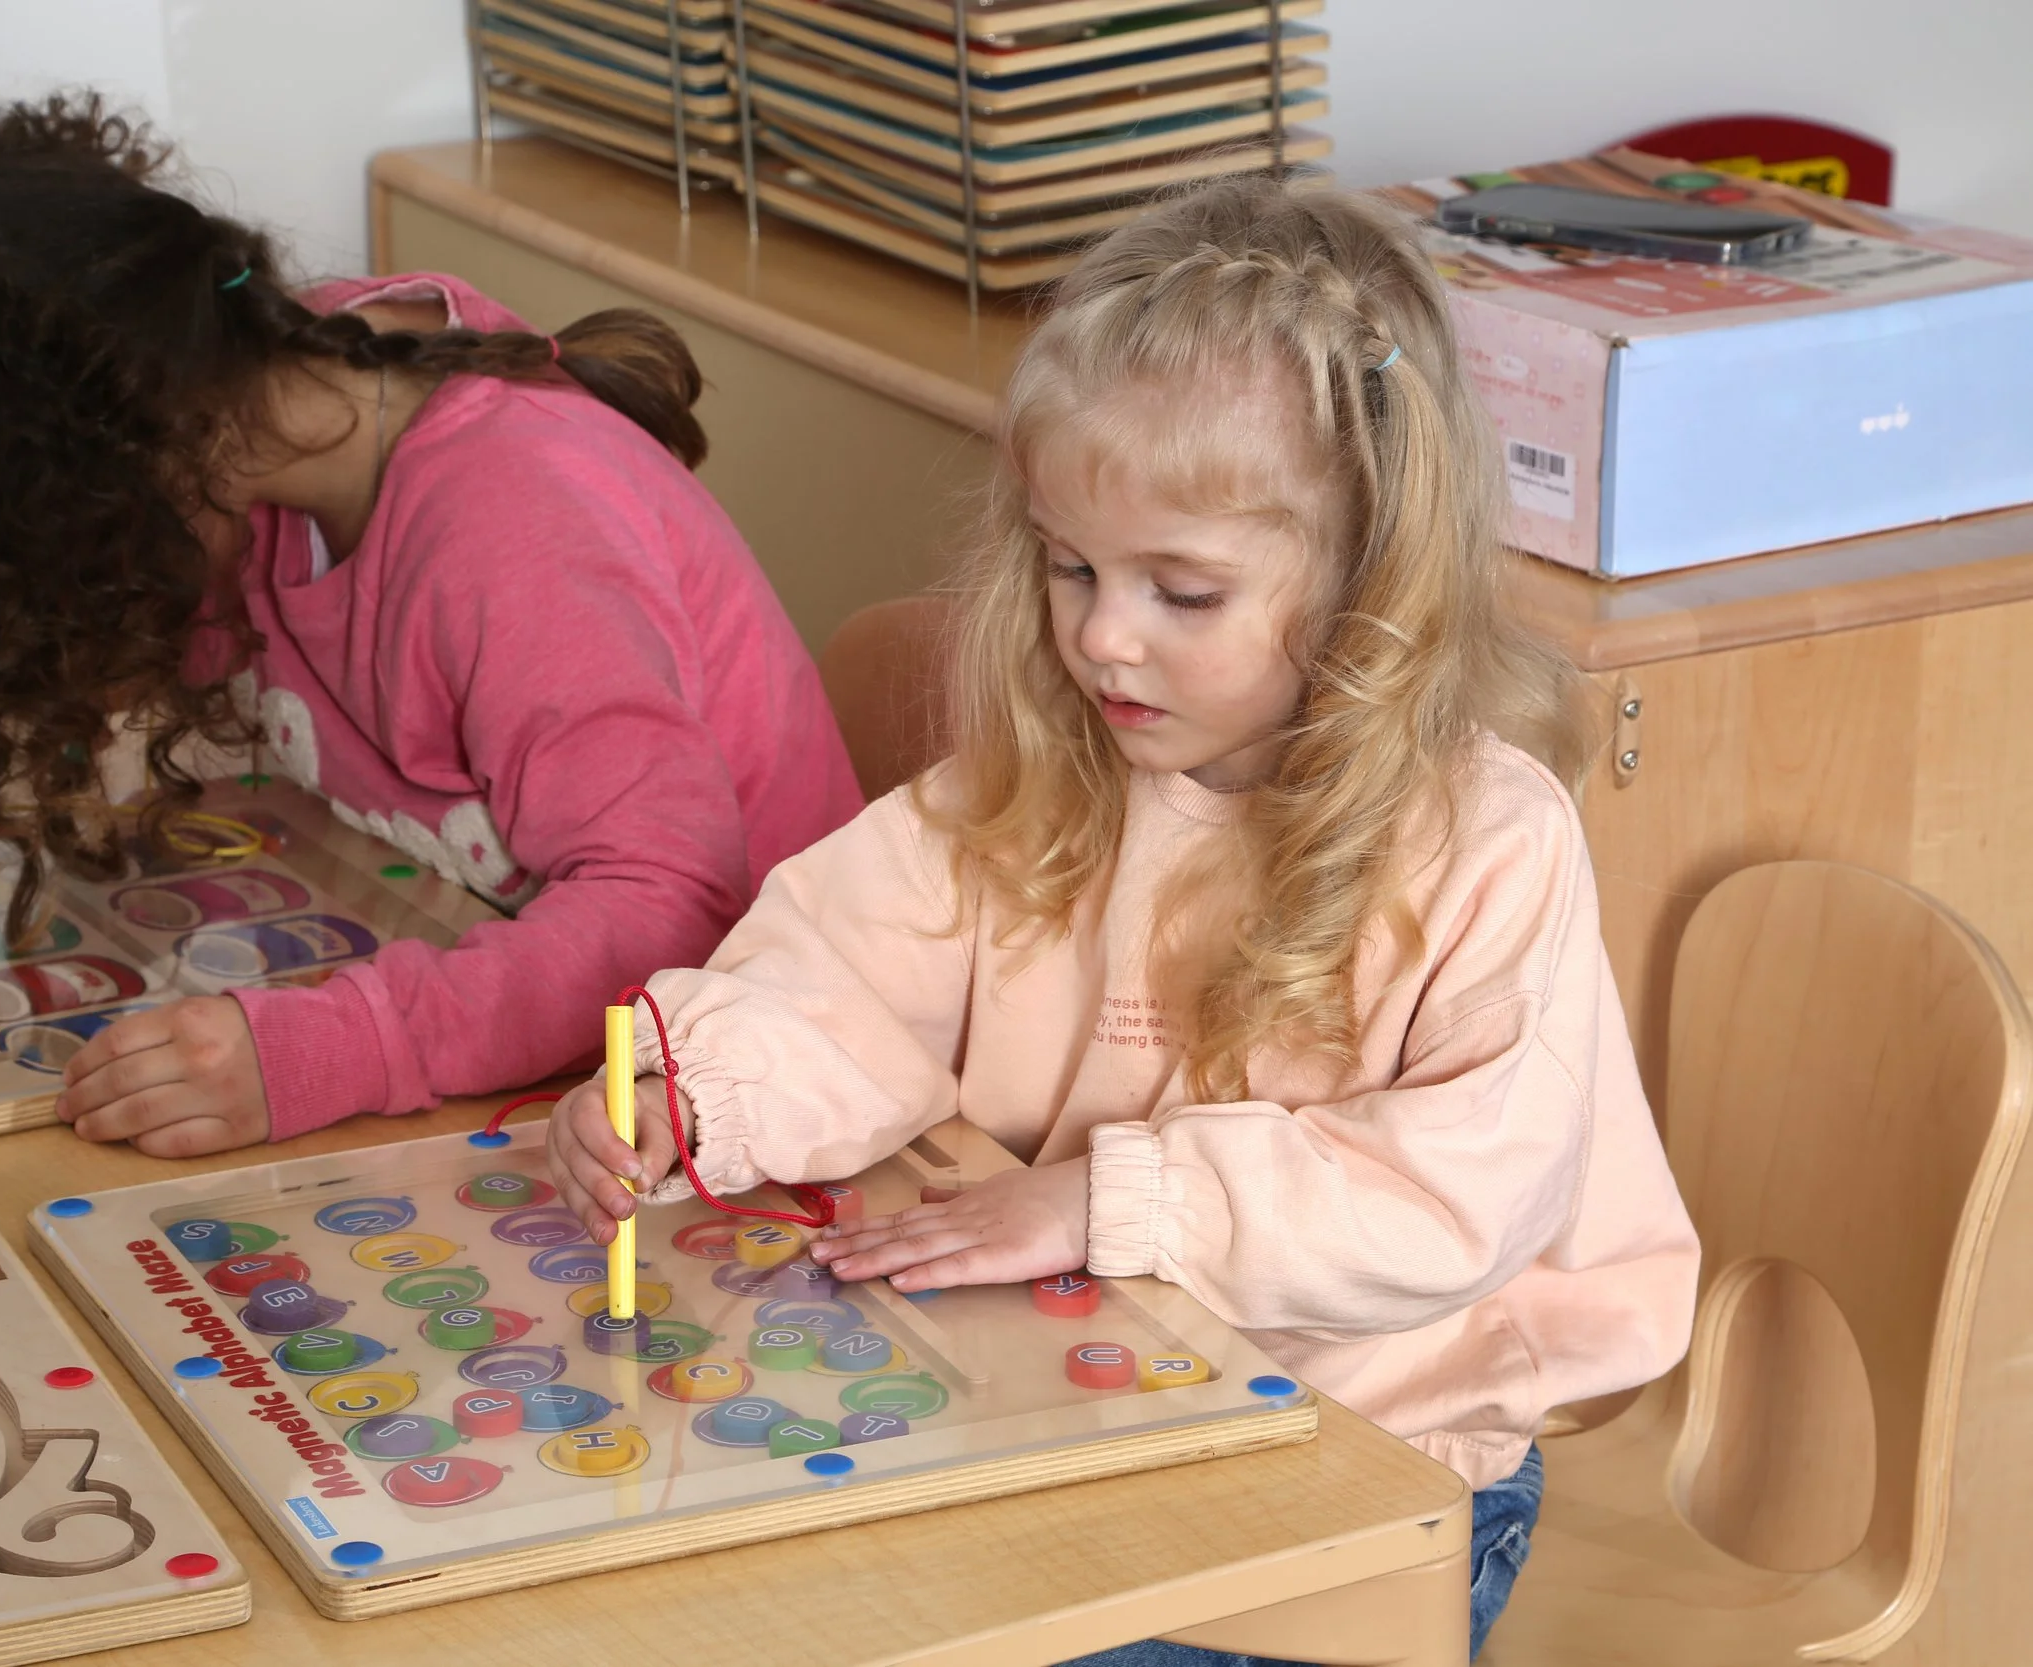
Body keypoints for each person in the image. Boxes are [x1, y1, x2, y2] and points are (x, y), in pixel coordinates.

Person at [546, 175, 1698, 1661]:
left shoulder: (1489, 838)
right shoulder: (1052, 772)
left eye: (1185, 589)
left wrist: (1105, 1200)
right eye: (1071, 564)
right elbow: (838, 969)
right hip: (1081, 1407)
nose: (1101, 633)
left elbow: (1459, 1198)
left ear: (1368, 580)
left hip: (1374, 1469)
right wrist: (693, 1090)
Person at [0, 95, 861, 1156]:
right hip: (531, 1073)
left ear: (126, 473)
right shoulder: (279, 389)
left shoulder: (508, 524)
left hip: (737, 1100)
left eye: (40, 575)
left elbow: (667, 907)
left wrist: (333, 1045)